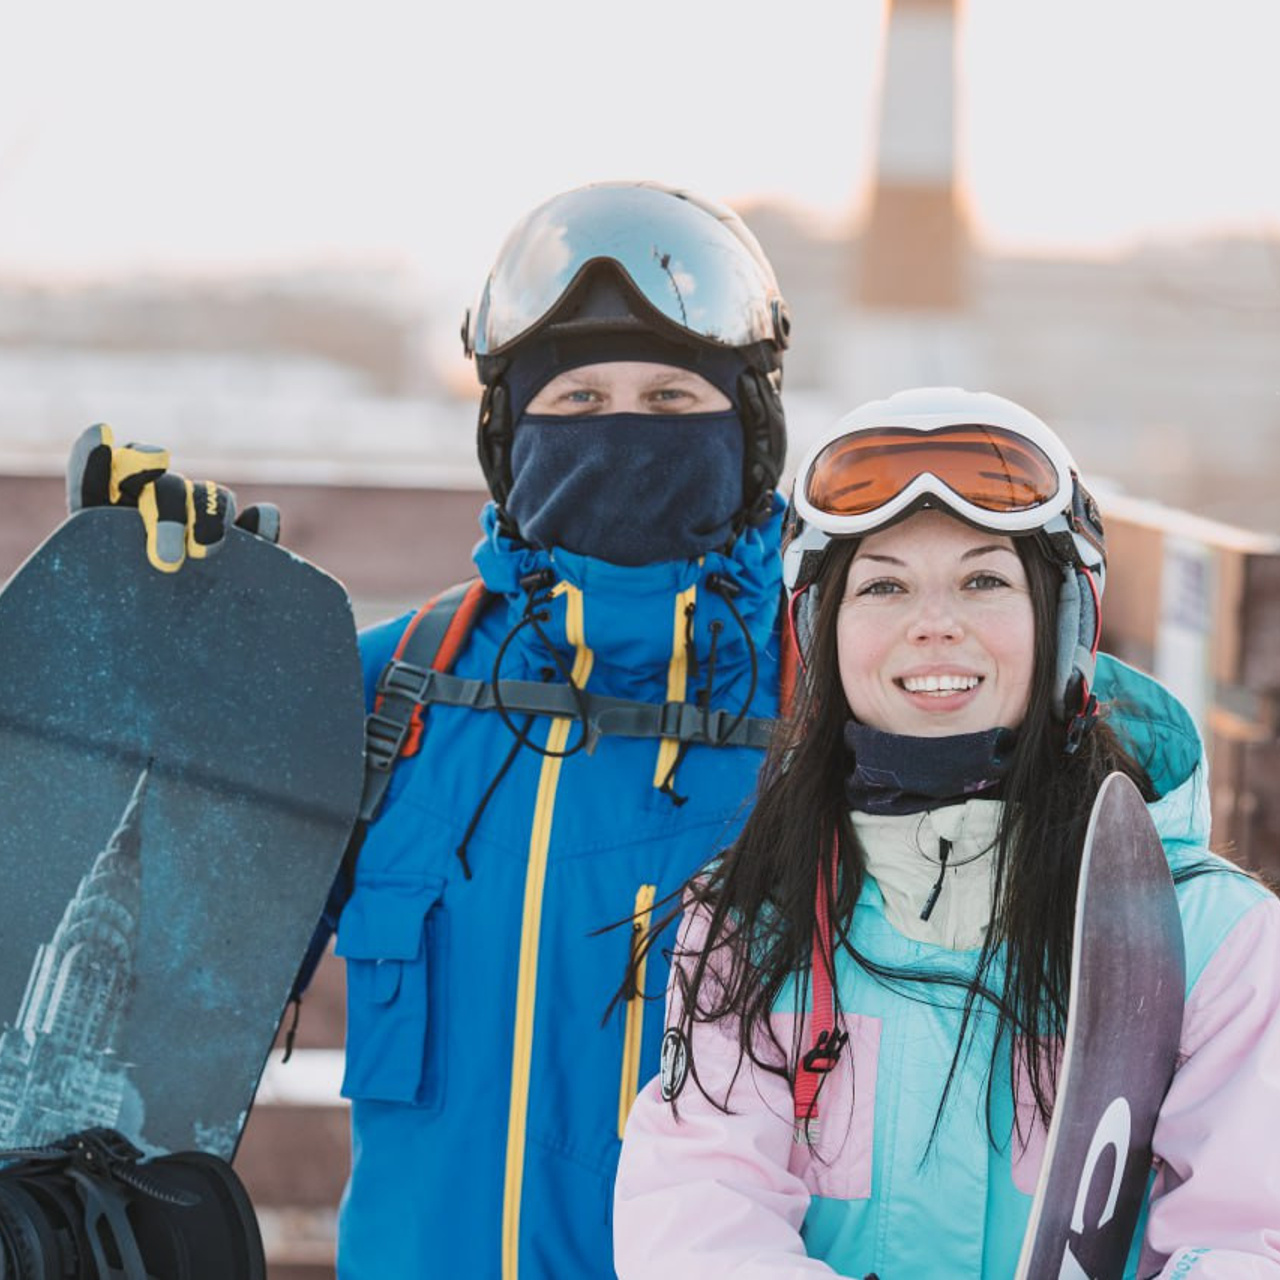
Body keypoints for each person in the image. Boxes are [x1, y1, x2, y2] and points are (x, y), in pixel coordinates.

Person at [68, 180, 793, 1279]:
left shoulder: (834, 704)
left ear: (748, 431)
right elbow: (157, 984)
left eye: (670, 395)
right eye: (580, 400)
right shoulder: (392, 691)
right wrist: (148, 675)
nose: (624, 431)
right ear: (506, 432)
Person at [613, 386, 1280, 1278]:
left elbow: (1250, 1238)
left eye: (984, 580)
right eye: (884, 583)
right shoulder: (750, 922)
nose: (936, 623)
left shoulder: (1210, 940)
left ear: (1063, 623)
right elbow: (695, 1225)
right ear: (826, 633)